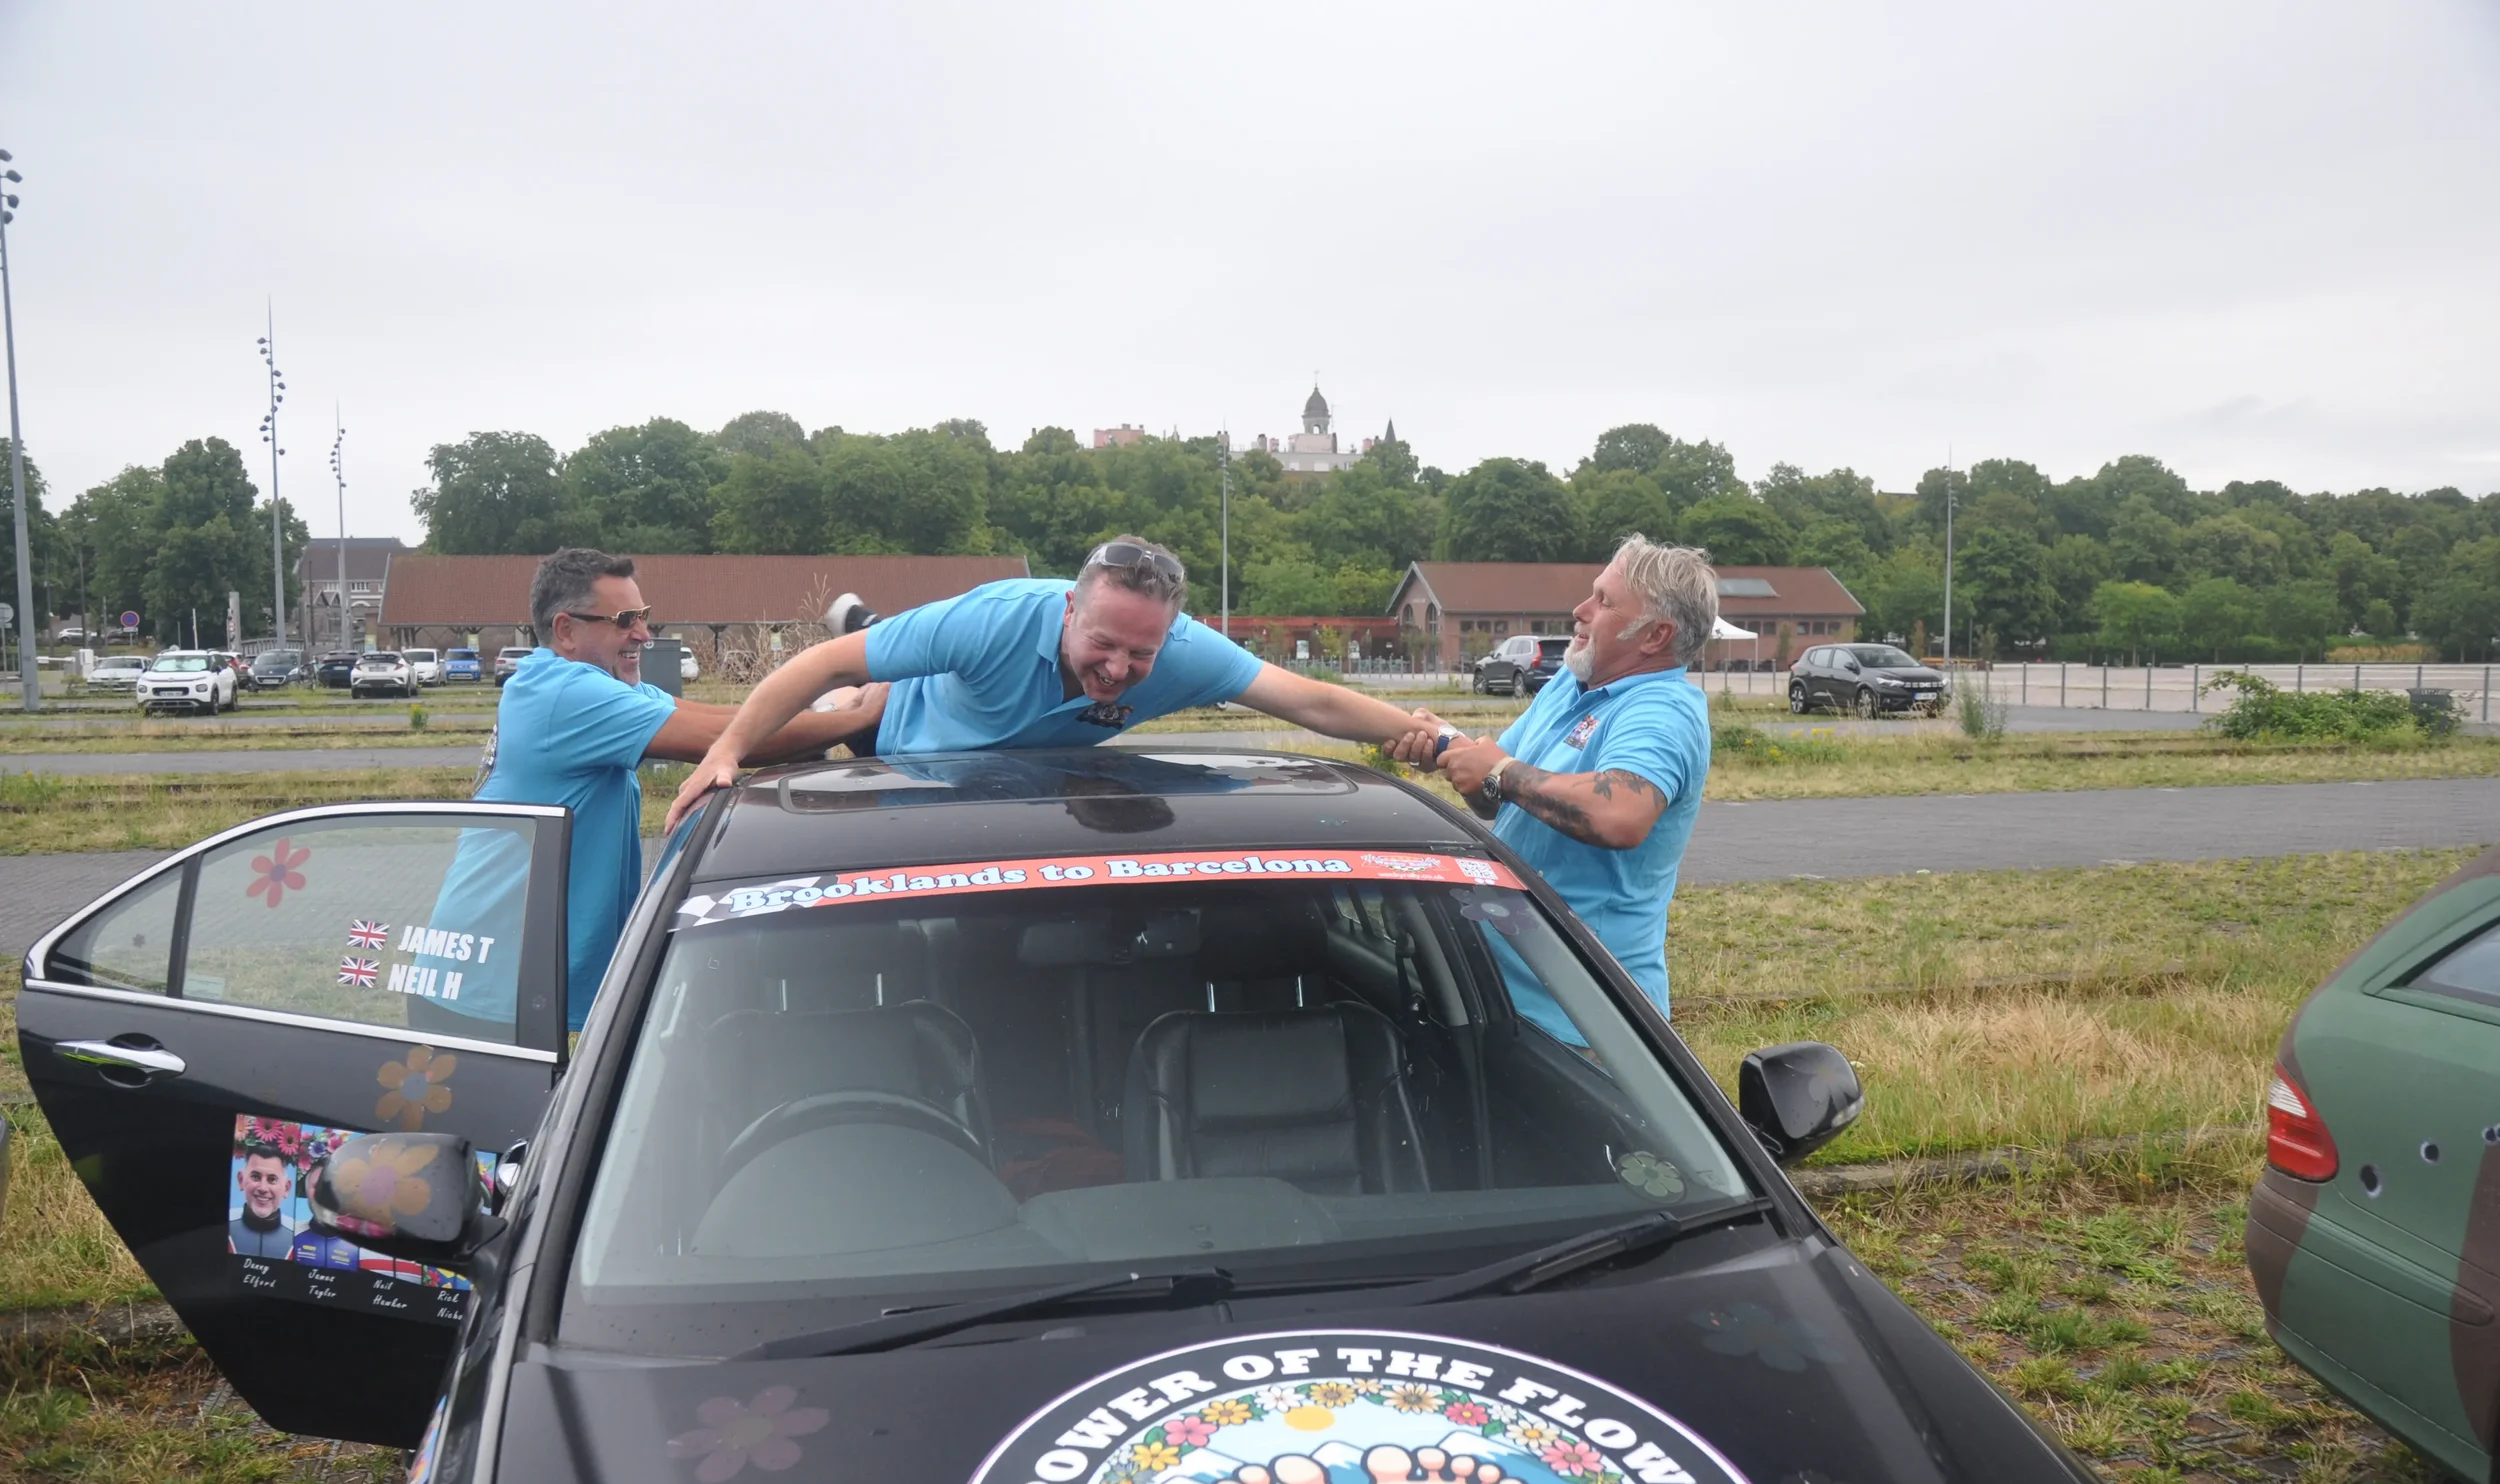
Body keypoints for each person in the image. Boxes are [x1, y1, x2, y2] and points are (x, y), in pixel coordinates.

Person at [665, 537, 1441, 830]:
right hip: (903, 741)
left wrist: (1432, 736)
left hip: (1028, 768)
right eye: (1104, 643)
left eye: (1141, 656)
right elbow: (818, 665)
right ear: (1069, 609)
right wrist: (729, 752)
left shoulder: (1179, 649)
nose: (1118, 668)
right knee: (848, 696)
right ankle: (873, 623)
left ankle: (880, 621)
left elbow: (1308, 698)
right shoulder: (995, 618)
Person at [428, 548, 878, 1032]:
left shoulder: (591, 684)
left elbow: (733, 723)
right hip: (483, 992)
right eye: (624, 620)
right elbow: (727, 745)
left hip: (508, 980)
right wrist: (861, 717)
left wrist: (833, 703)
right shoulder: (567, 695)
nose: (643, 633)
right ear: (566, 631)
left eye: (643, 616)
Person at [1388, 537, 1715, 1036]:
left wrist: (1497, 769)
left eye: (1605, 602)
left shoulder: (1661, 709)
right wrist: (1453, 747)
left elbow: (1619, 815)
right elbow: (1495, 798)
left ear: (1655, 635)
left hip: (1585, 1024)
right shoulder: (1571, 683)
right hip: (1505, 996)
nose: (1580, 611)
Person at [230, 1147, 297, 1259]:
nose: (263, 1188)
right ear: (241, 1180)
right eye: (255, 1177)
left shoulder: (298, 1237)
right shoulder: (223, 1225)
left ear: (286, 1188)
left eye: (272, 1179)